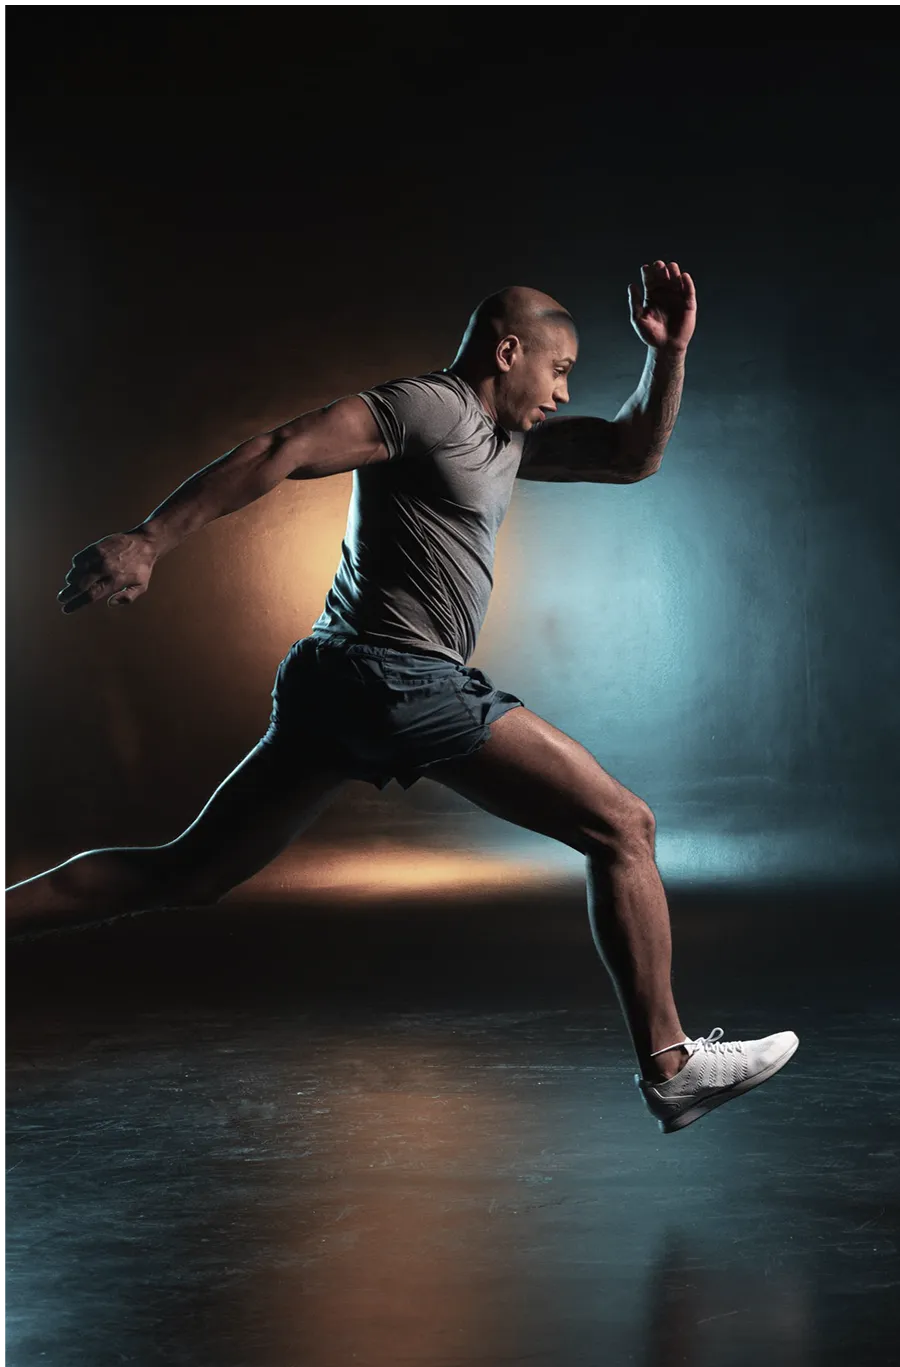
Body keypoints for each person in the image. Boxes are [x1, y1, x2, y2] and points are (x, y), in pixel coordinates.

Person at [3, 261, 798, 1132]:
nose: (566, 393)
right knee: (625, 826)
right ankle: (672, 1068)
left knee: (188, 874)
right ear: (508, 352)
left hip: (335, 681)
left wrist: (669, 354)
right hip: (397, 676)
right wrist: (151, 539)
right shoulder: (431, 408)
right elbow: (282, 448)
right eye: (560, 370)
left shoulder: (506, 441)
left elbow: (630, 455)